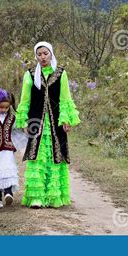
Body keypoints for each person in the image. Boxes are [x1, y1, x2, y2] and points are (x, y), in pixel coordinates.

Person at [16, 41, 80, 209]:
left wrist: (66, 119)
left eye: (45, 53)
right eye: (39, 54)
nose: (42, 57)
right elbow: (25, 99)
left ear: (51, 54)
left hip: (55, 123)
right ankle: (36, 197)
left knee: (55, 155)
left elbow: (66, 98)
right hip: (36, 122)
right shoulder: (30, 74)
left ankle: (53, 196)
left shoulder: (60, 73)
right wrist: (23, 120)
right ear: (36, 56)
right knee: (37, 156)